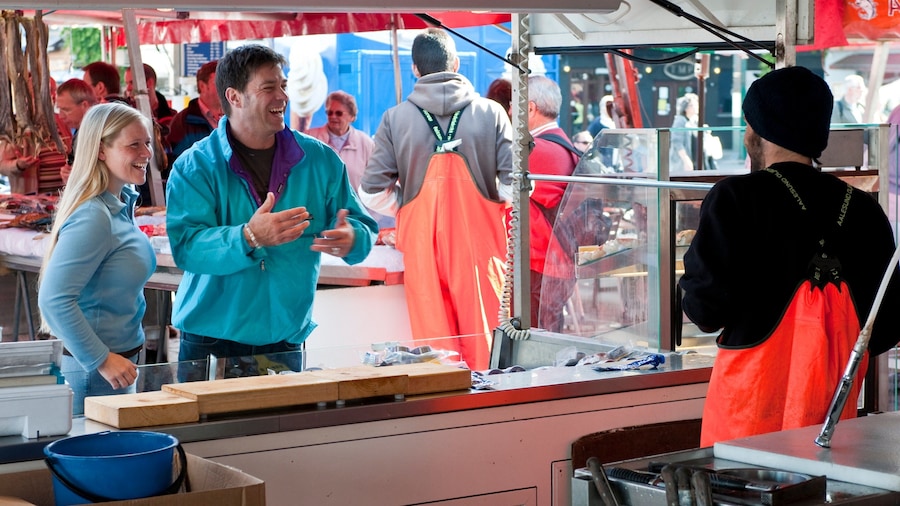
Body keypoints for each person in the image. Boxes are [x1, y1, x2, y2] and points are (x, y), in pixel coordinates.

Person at [678, 66, 900, 446]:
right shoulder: (865, 209)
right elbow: (889, 328)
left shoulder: (735, 198)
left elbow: (704, 311)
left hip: (746, 425)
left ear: (759, 128)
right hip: (833, 429)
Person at [165, 44, 378, 372]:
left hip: (285, 336)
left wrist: (353, 238)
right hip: (210, 338)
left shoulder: (320, 161)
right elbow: (187, 248)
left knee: (285, 426)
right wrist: (248, 236)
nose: (282, 97)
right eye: (268, 88)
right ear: (234, 97)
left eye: (283, 86)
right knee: (212, 427)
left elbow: (362, 226)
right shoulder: (195, 166)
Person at [359, 28, 513, 370]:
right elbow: (515, 186)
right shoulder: (492, 114)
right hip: (480, 247)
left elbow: (369, 191)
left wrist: (408, 204)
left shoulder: (394, 119)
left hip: (422, 249)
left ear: (415, 69)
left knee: (436, 354)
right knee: (484, 343)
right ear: (456, 64)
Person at [37, 103, 156, 413]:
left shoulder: (120, 203)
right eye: (134, 144)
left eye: (147, 143)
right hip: (95, 372)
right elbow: (53, 299)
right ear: (101, 150)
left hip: (114, 365)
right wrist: (102, 359)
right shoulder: (95, 216)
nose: (146, 153)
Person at [521, 75, 582, 333]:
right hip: (560, 261)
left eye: (514, 104)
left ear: (531, 108)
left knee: (534, 343)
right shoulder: (565, 144)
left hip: (540, 263)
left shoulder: (533, 150)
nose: (511, 110)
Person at [167, 60, 223, 163]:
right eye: (220, 82)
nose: (225, 87)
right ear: (202, 86)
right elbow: (177, 163)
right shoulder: (182, 122)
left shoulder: (236, 117)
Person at [57, 78, 99, 185]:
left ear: (84, 105)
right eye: (59, 109)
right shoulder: (79, 131)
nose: (61, 116)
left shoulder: (102, 131)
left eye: (66, 110)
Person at [669, 93, 698, 171]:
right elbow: (677, 142)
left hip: (694, 161)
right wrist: (686, 160)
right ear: (685, 108)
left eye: (696, 104)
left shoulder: (694, 121)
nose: (695, 107)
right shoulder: (680, 121)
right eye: (692, 105)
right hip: (681, 163)